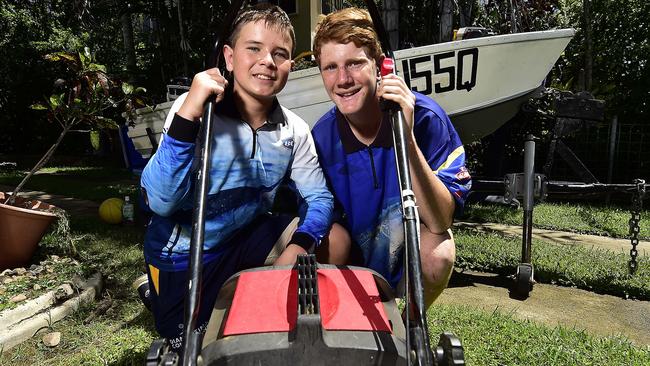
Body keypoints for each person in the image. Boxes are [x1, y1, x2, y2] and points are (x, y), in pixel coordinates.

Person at [140, 4, 347, 353]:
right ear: (229, 57)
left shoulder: (294, 129)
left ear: (289, 67)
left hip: (246, 239)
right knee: (200, 350)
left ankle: (277, 305)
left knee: (335, 239)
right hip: (184, 255)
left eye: (279, 53)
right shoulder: (195, 111)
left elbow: (319, 198)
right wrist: (190, 110)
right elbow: (160, 200)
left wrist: (300, 245)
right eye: (254, 48)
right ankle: (152, 290)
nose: (267, 60)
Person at [311, 8, 472, 310]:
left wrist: (406, 137)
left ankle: (411, 331)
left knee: (440, 253)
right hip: (352, 265)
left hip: (408, 255)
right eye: (330, 67)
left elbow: (440, 221)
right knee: (325, 237)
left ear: (380, 66)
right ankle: (339, 321)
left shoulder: (426, 118)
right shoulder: (321, 137)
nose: (343, 79)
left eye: (355, 63)